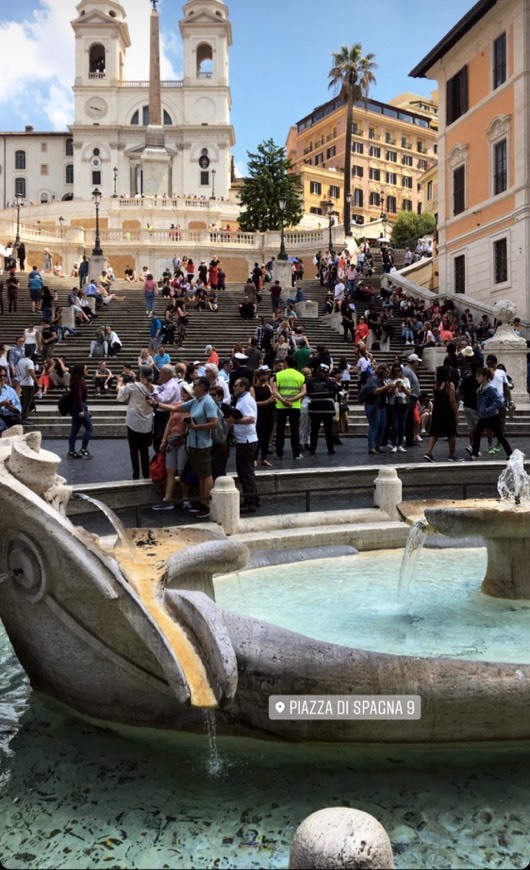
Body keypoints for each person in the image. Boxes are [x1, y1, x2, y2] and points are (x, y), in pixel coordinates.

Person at [153, 377, 218, 519]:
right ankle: (202, 501)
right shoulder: (196, 402)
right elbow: (175, 408)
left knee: (206, 474)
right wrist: (156, 404)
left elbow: (214, 423)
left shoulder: (208, 402)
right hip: (193, 444)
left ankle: (207, 503)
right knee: (201, 474)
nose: (193, 387)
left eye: (195, 385)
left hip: (203, 444)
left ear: (201, 387)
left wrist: (196, 427)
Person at [152, 381, 196, 511]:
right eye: (183, 391)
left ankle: (185, 498)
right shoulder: (177, 405)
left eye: (186, 392)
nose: (183, 393)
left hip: (183, 441)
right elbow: (169, 424)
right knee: (170, 470)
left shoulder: (192, 407)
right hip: (172, 440)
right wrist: (164, 440)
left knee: (181, 470)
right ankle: (168, 499)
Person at [116, 365, 156, 479]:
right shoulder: (153, 388)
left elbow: (120, 395)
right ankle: (146, 473)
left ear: (140, 374)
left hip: (133, 421)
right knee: (144, 450)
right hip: (147, 422)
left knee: (133, 450)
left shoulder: (135, 386)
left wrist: (120, 382)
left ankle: (136, 474)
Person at [469, 367, 512, 460]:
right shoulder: (481, 387)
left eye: (478, 376)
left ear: (484, 377)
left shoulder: (490, 388)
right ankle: (474, 455)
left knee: (499, 436)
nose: (476, 378)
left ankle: (511, 454)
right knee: (477, 434)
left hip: (492, 416)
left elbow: (499, 402)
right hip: (484, 416)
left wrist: (488, 409)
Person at [231, 377, 260, 512]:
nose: (233, 387)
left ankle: (250, 502)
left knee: (245, 472)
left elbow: (250, 418)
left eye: (236, 385)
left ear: (243, 387)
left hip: (246, 440)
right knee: (246, 471)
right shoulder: (243, 399)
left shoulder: (246, 401)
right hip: (245, 439)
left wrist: (235, 421)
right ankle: (254, 497)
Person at [270, 355, 306, 460]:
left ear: (286, 363)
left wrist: (283, 400)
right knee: (295, 430)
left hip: (281, 406)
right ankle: (296, 453)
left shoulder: (279, 375)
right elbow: (304, 391)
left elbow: (275, 390)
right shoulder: (300, 376)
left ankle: (279, 453)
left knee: (280, 430)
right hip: (295, 406)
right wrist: (293, 399)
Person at [423, 366, 460, 462]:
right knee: (451, 433)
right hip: (447, 411)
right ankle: (452, 455)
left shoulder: (436, 385)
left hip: (437, 411)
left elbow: (434, 400)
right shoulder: (449, 385)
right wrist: (456, 413)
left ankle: (429, 452)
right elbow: (452, 400)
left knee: (434, 432)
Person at [306, 363, 338, 456]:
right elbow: (334, 392)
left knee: (314, 430)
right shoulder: (330, 382)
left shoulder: (311, 381)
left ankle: (312, 449)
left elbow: (308, 393)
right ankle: (330, 449)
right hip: (327, 408)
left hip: (315, 408)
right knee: (328, 430)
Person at [251, 365, 275, 467]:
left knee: (266, 437)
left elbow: (272, 396)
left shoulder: (268, 387)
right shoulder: (253, 388)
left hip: (269, 413)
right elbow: (253, 403)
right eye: (263, 377)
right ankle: (254, 458)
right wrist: (266, 401)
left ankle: (264, 458)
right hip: (259, 414)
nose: (265, 379)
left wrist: (273, 399)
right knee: (258, 436)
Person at [68, 363, 93, 459]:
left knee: (74, 430)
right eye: (86, 369)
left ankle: (71, 451)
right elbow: (78, 397)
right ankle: (83, 449)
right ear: (81, 371)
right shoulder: (79, 382)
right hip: (79, 407)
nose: (87, 371)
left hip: (78, 406)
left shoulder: (77, 381)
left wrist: (85, 408)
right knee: (89, 427)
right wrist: (81, 410)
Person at [16, 347, 38, 421]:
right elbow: (32, 373)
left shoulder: (20, 361)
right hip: (28, 384)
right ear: (31, 353)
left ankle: (23, 416)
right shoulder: (29, 362)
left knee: (25, 400)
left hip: (22, 382)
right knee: (28, 401)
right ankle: (24, 417)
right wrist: (37, 382)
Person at [0, 365, 22, 432]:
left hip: (11, 425)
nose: (2, 378)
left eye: (4, 375)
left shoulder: (10, 390)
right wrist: (1, 404)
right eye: (0, 376)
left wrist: (11, 407)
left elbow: (19, 406)